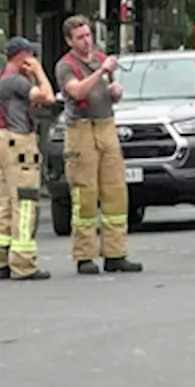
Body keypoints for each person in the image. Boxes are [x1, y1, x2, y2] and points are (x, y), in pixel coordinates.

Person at [54, 15, 142, 275]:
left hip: (106, 125)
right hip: (80, 130)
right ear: (69, 40)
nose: (86, 40)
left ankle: (116, 253)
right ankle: (84, 256)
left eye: (88, 34)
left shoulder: (101, 59)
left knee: (115, 190)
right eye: (80, 37)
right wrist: (102, 72)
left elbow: (110, 92)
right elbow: (78, 91)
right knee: (85, 193)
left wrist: (115, 92)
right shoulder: (65, 66)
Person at [0, 35, 54, 281]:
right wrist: (38, 71)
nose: (33, 59)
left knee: (6, 200)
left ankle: (2, 260)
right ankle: (24, 263)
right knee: (25, 201)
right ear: (21, 57)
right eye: (31, 55)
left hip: (3, 140)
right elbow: (48, 97)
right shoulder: (16, 81)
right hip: (20, 144)